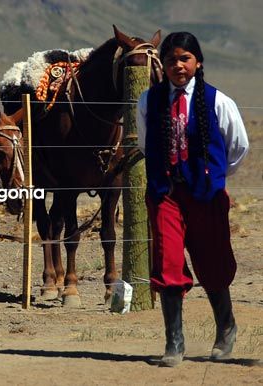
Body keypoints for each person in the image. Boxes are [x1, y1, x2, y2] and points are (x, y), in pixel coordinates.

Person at [136, 31, 249, 367]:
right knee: (167, 261)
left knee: (212, 262)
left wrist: (213, 176)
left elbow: (238, 147)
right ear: (163, 64)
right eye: (170, 59)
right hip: (166, 194)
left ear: (198, 62)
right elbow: (145, 144)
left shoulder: (218, 101)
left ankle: (226, 326)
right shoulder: (148, 100)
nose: (177, 65)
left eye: (184, 58)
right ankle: (174, 344)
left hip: (206, 196)